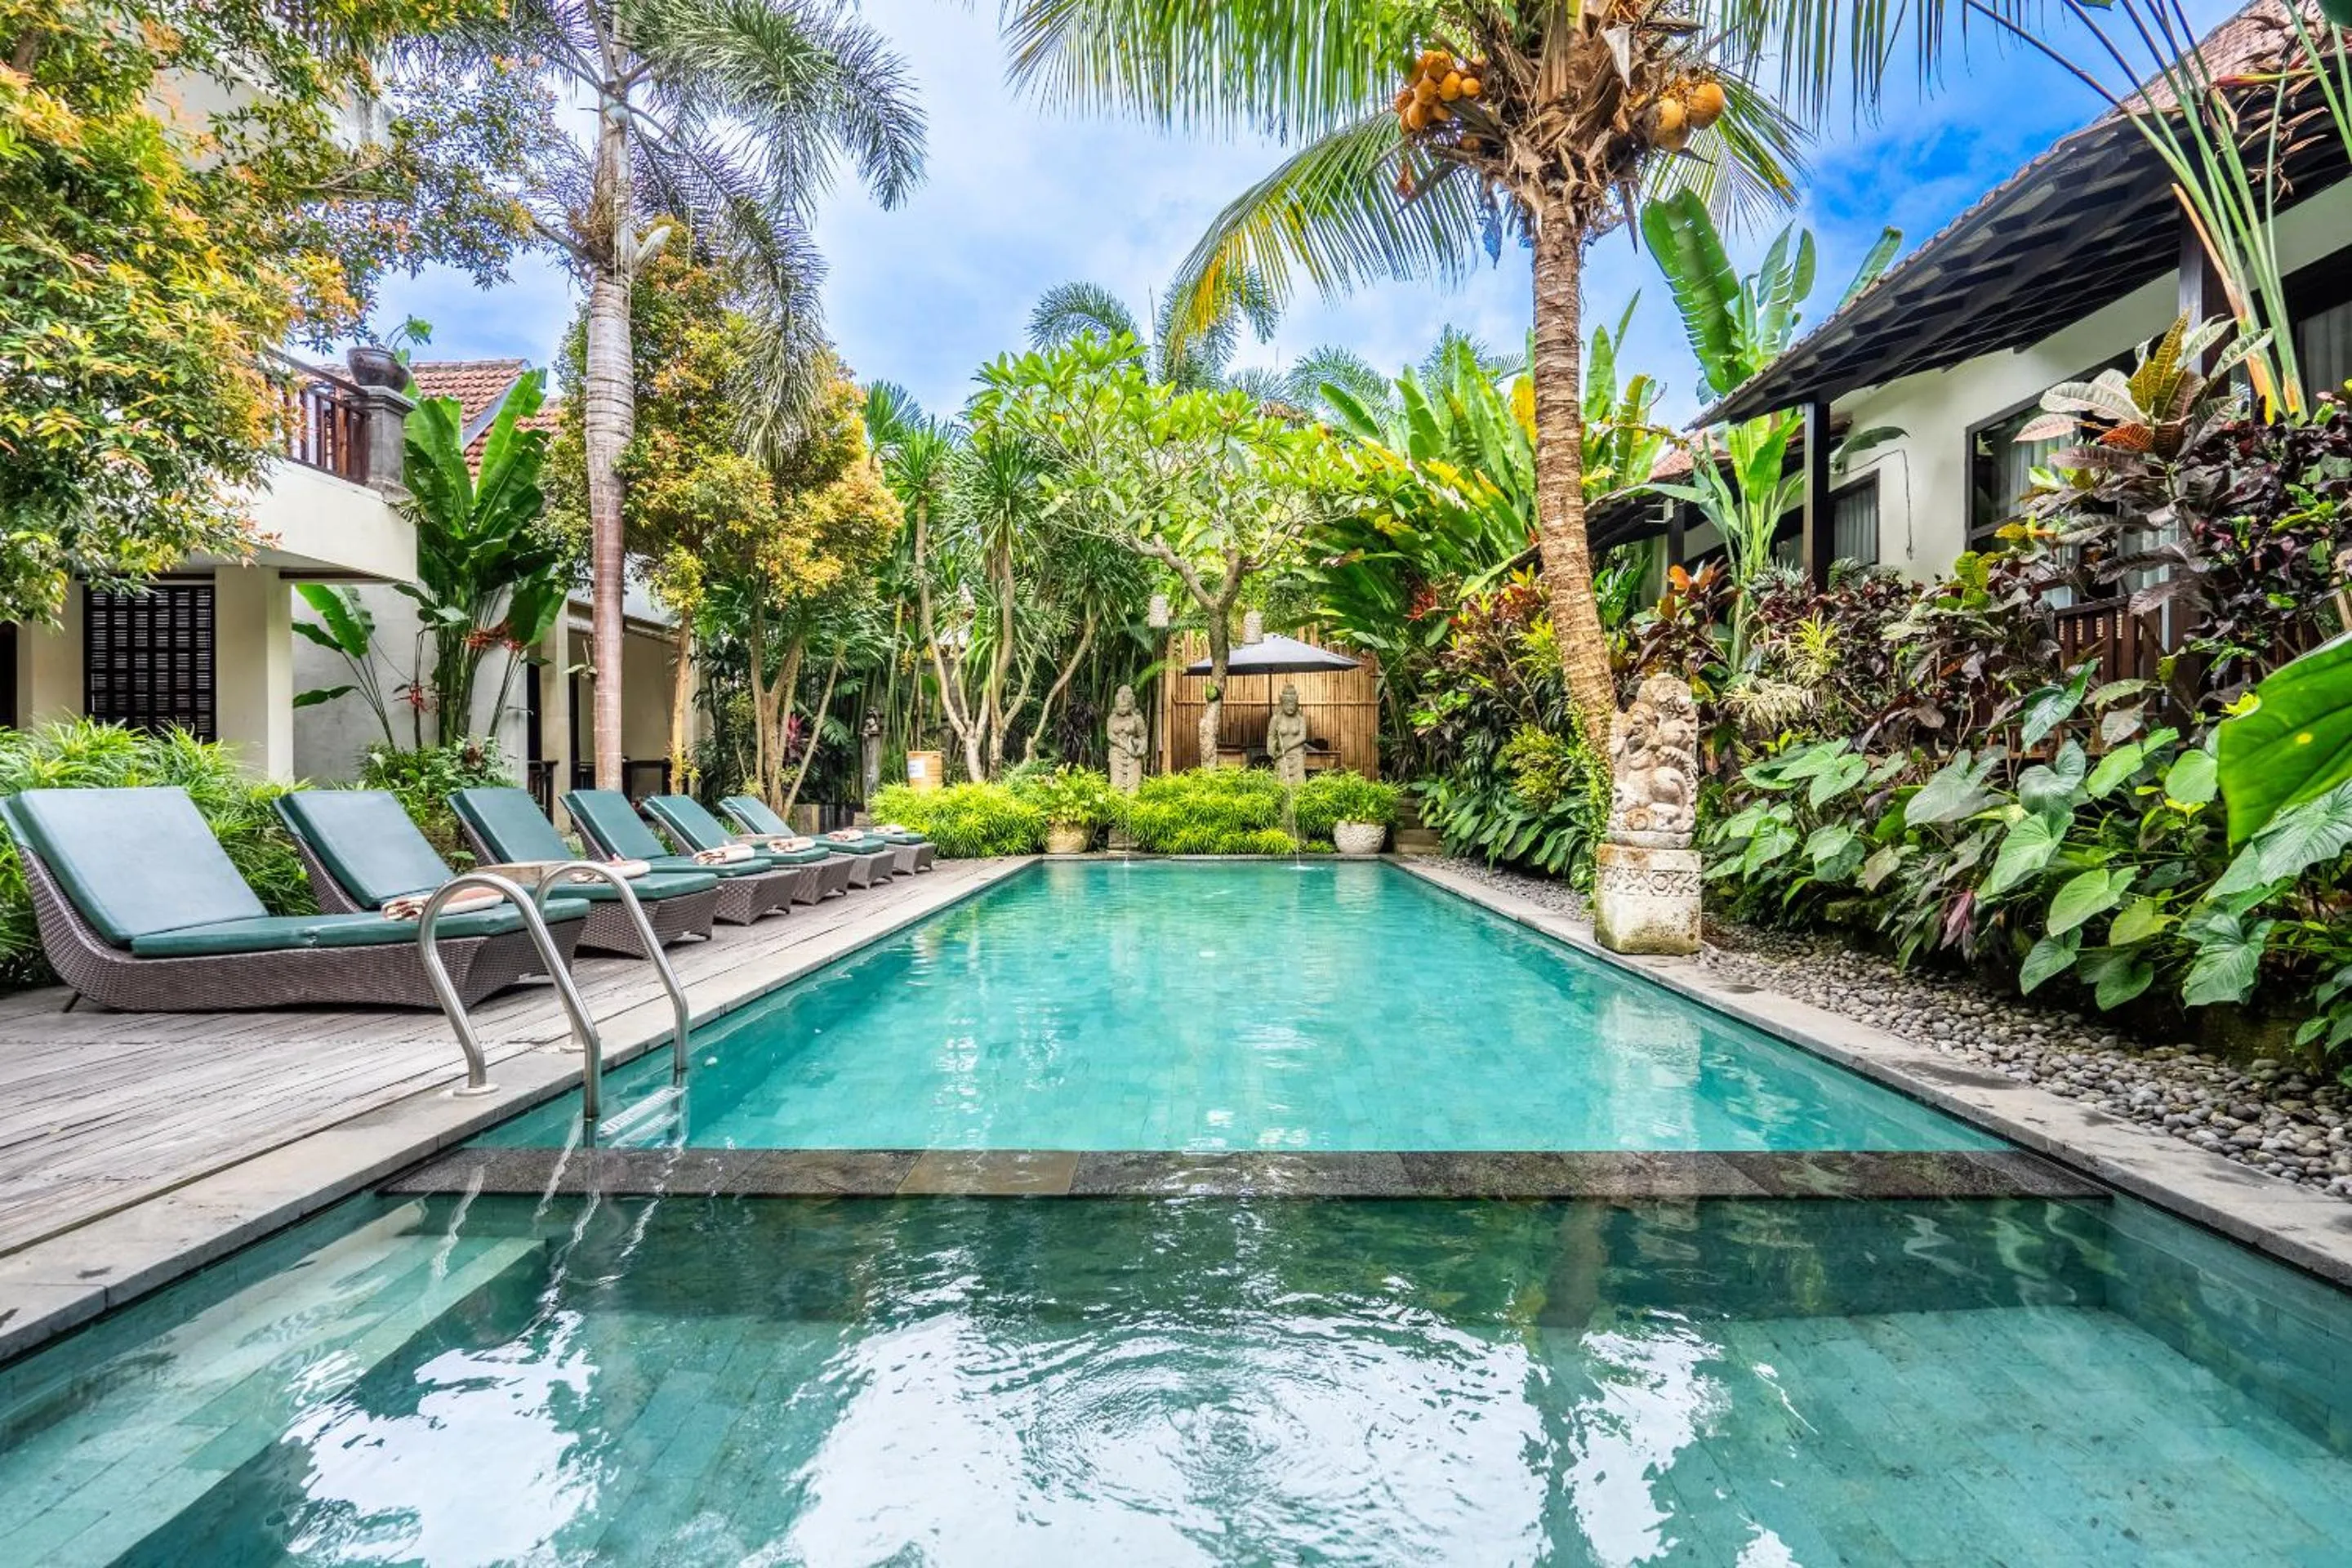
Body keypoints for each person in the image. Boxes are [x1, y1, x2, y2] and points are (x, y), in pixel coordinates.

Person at [1266, 684, 1309, 788]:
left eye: (1293, 704)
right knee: (1282, 784)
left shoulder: (1300, 718)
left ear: (1296, 703)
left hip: (1297, 755)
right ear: (1282, 703)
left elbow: (1303, 737)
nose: (1290, 707)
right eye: (1287, 703)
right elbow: (1271, 735)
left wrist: (1287, 747)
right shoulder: (1276, 719)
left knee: (1298, 785)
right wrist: (1271, 747)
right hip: (1282, 756)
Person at [1107, 684, 1148, 792]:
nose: (1122, 709)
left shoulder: (1137, 719)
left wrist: (1138, 749)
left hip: (1132, 753)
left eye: (1125, 706)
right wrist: (1122, 744)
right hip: (1116, 752)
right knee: (1116, 783)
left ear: (1130, 705)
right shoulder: (1112, 718)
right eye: (1120, 706)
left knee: (1133, 786)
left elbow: (1143, 737)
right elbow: (1110, 735)